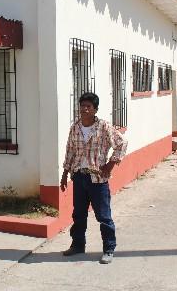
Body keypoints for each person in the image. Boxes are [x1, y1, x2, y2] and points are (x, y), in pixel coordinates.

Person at [60, 92, 128, 264]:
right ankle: (77, 245)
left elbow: (122, 144)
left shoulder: (104, 126)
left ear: (95, 109)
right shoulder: (75, 127)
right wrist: (65, 173)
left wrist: (110, 165)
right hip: (79, 178)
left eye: (88, 106)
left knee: (104, 216)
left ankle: (109, 249)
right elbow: (70, 151)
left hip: (98, 180)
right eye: (82, 106)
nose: (84, 109)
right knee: (79, 215)